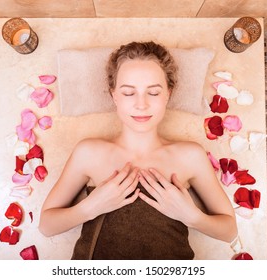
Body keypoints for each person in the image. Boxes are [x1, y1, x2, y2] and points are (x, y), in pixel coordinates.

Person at [39, 41, 237, 259]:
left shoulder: (190, 156)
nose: (141, 104)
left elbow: (229, 231)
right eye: (128, 93)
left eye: (153, 92)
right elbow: (47, 225)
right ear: (114, 95)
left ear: (167, 95)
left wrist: (192, 217)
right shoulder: (89, 152)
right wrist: (90, 208)